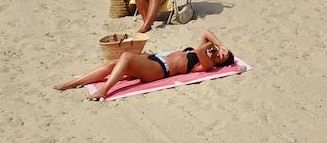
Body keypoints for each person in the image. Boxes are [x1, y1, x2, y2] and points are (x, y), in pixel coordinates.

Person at [55, 29, 234, 101]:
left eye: (221, 56)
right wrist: (220, 45)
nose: (219, 54)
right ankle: (74, 83)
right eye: (221, 51)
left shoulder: (207, 64)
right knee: (113, 64)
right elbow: (205, 32)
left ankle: (105, 89)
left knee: (126, 57)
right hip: (153, 60)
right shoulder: (203, 51)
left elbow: (203, 49)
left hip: (158, 70)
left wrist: (212, 48)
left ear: (220, 62)